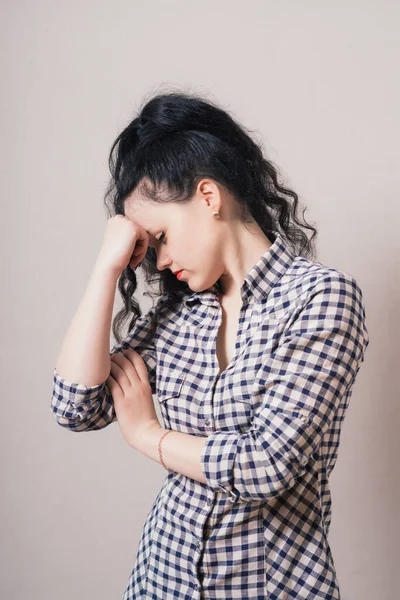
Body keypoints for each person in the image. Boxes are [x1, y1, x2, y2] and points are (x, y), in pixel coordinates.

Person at [50, 91, 370, 599]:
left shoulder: (321, 298)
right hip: (160, 581)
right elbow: (74, 406)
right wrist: (105, 269)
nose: (157, 261)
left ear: (208, 196)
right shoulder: (178, 314)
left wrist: (147, 436)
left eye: (161, 236)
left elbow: (266, 466)